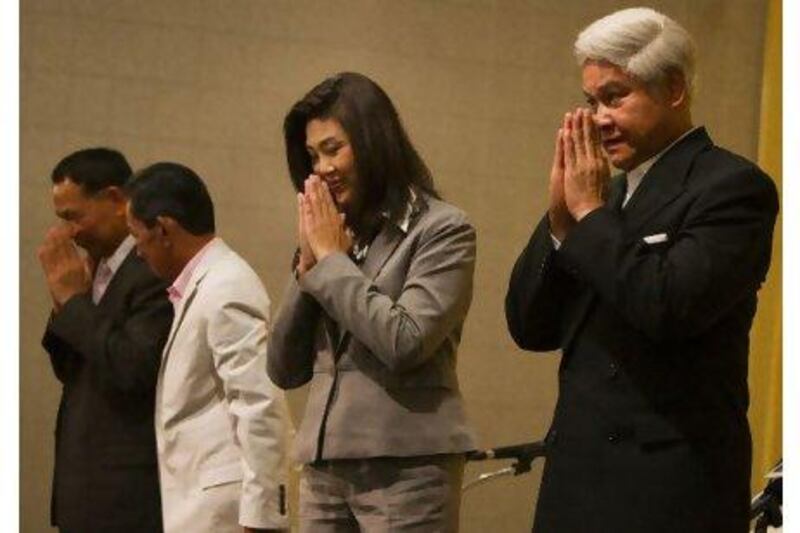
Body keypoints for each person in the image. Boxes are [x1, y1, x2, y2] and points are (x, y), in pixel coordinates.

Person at [505, 8, 779, 533]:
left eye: (614, 96)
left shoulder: (731, 187)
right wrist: (561, 226)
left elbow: (667, 306)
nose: (599, 118)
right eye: (591, 102)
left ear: (673, 88)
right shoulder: (603, 195)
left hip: (665, 492)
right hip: (575, 483)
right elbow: (529, 327)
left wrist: (587, 219)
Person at [268, 72, 477, 532]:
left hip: (407, 468)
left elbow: (405, 341)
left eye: (332, 148)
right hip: (324, 466)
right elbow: (283, 368)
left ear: (373, 141)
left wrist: (329, 262)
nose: (321, 168)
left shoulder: (443, 228)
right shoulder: (332, 238)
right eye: (311, 155)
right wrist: (309, 266)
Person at [125, 162, 291, 533]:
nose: (138, 253)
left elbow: (259, 402)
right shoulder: (203, 286)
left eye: (138, 238)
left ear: (164, 229)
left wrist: (264, 518)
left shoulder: (226, 286)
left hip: (227, 514)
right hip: (200, 506)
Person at [38, 147, 172, 532]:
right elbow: (73, 371)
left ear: (116, 200)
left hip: (126, 494)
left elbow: (133, 367)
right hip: (84, 488)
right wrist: (66, 303)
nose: (69, 233)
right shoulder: (98, 267)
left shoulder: (149, 267)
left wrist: (75, 304)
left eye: (73, 217)